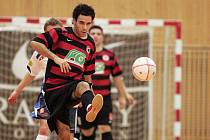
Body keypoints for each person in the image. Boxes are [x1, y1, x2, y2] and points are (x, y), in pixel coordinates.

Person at [30, 4, 103, 140]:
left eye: (88, 23)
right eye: (81, 23)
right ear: (73, 20)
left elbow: (87, 74)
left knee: (83, 85)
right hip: (54, 89)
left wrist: (89, 95)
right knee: (64, 133)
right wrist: (56, 58)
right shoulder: (60, 33)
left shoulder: (91, 44)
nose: (85, 27)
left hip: (73, 87)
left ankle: (89, 107)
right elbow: (35, 43)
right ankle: (88, 105)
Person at [8, 18, 63, 140]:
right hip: (47, 92)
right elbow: (31, 73)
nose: (54, 36)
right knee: (43, 129)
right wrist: (17, 91)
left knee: (65, 132)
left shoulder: (70, 49)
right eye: (50, 33)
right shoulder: (40, 52)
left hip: (67, 92)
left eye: (57, 32)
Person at [78, 25, 135, 140]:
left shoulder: (110, 55)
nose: (96, 36)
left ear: (103, 37)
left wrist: (123, 96)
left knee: (105, 128)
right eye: (93, 33)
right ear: (88, 35)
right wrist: (77, 97)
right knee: (87, 132)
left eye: (99, 34)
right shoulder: (82, 55)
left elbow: (117, 77)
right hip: (86, 99)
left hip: (104, 99)